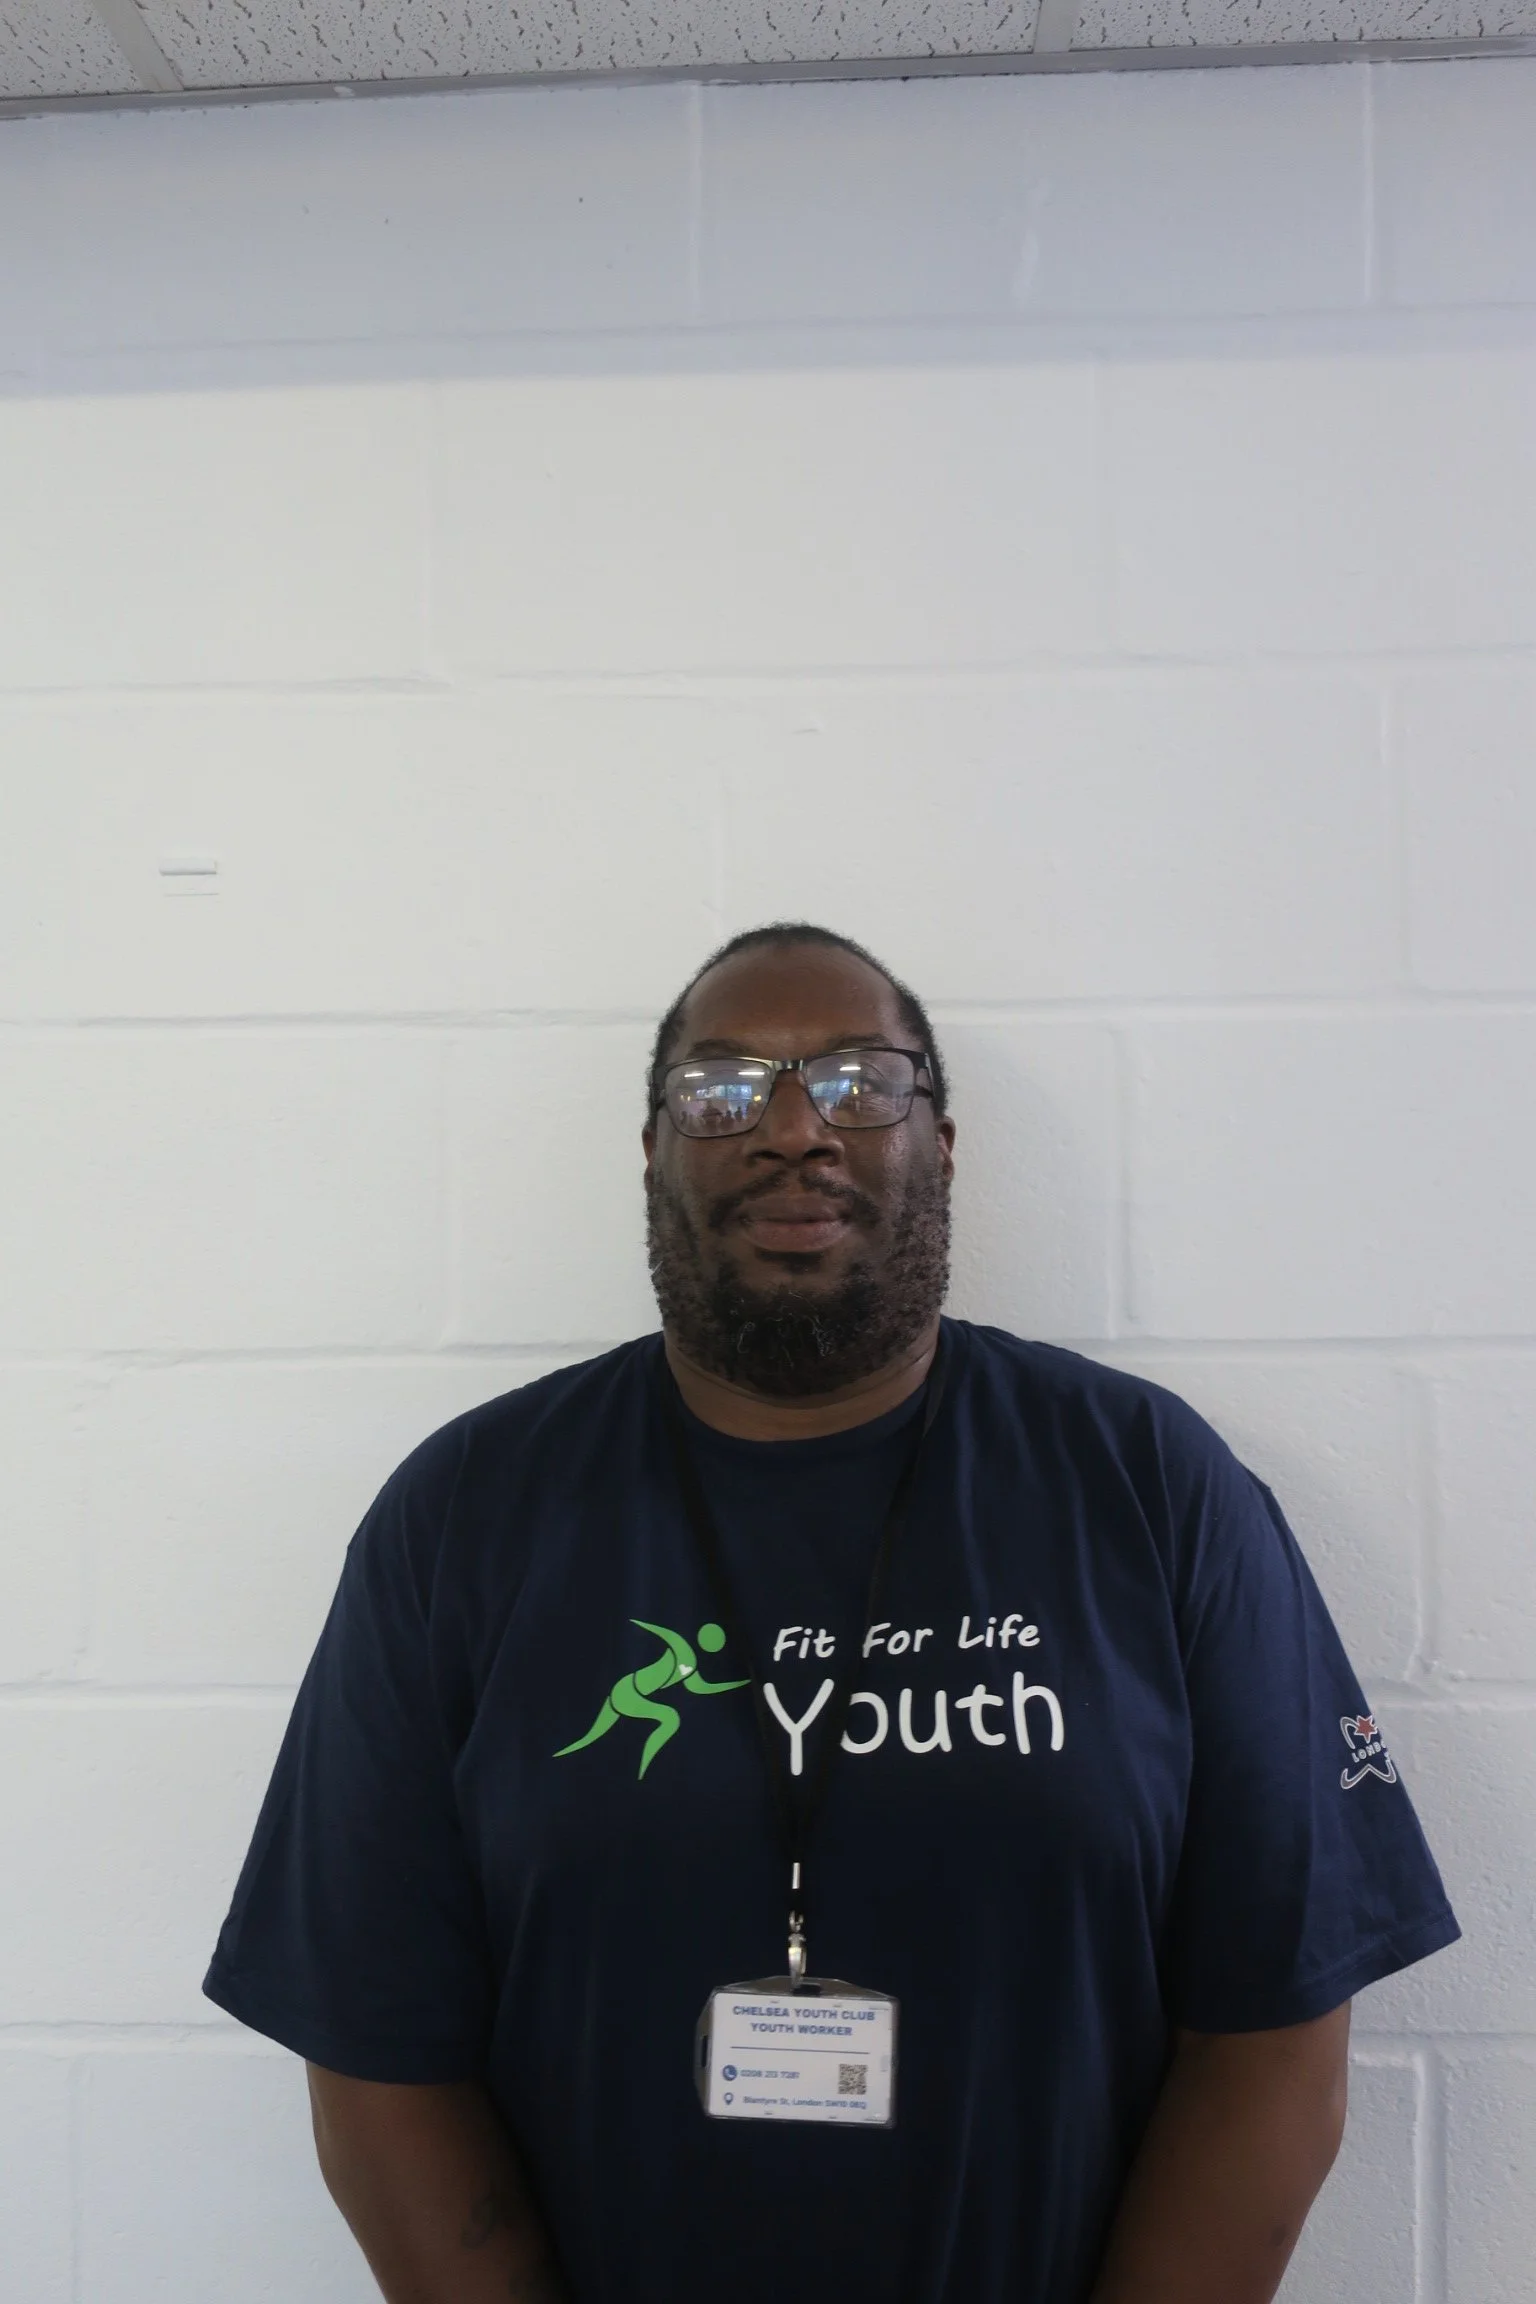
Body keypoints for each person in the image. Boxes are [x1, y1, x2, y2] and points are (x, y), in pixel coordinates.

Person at [205, 922, 1459, 2304]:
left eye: (862, 1082)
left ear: (942, 1145)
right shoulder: (466, 1515)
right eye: (723, 1089)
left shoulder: (1150, 1487)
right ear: (652, 1152)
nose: (793, 1129)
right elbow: (376, 2049)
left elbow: (1277, 2037)